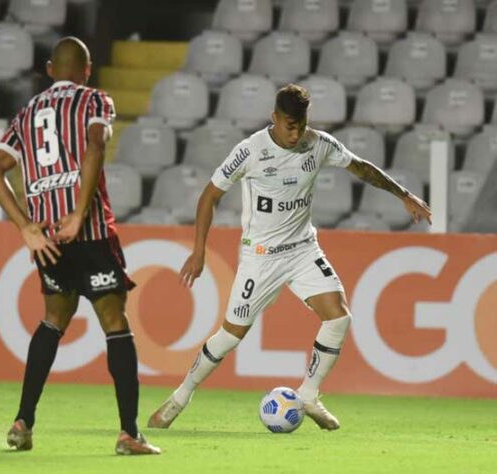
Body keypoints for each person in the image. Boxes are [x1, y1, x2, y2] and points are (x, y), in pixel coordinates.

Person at [148, 84, 432, 431]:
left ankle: (309, 395)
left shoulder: (318, 143)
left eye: (300, 125)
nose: (296, 133)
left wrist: (404, 195)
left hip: (302, 249)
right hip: (261, 256)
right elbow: (209, 197)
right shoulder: (250, 151)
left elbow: (361, 167)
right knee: (230, 336)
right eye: (289, 126)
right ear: (274, 119)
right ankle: (179, 397)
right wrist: (198, 251)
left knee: (339, 318)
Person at [0, 37, 160, 455]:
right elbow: (96, 145)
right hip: (91, 231)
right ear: (87, 69)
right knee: (115, 322)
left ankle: (23, 421)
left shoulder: (26, 112)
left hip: (47, 237)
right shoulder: (95, 100)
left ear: (49, 69)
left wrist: (26, 226)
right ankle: (129, 433)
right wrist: (80, 211)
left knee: (52, 321)